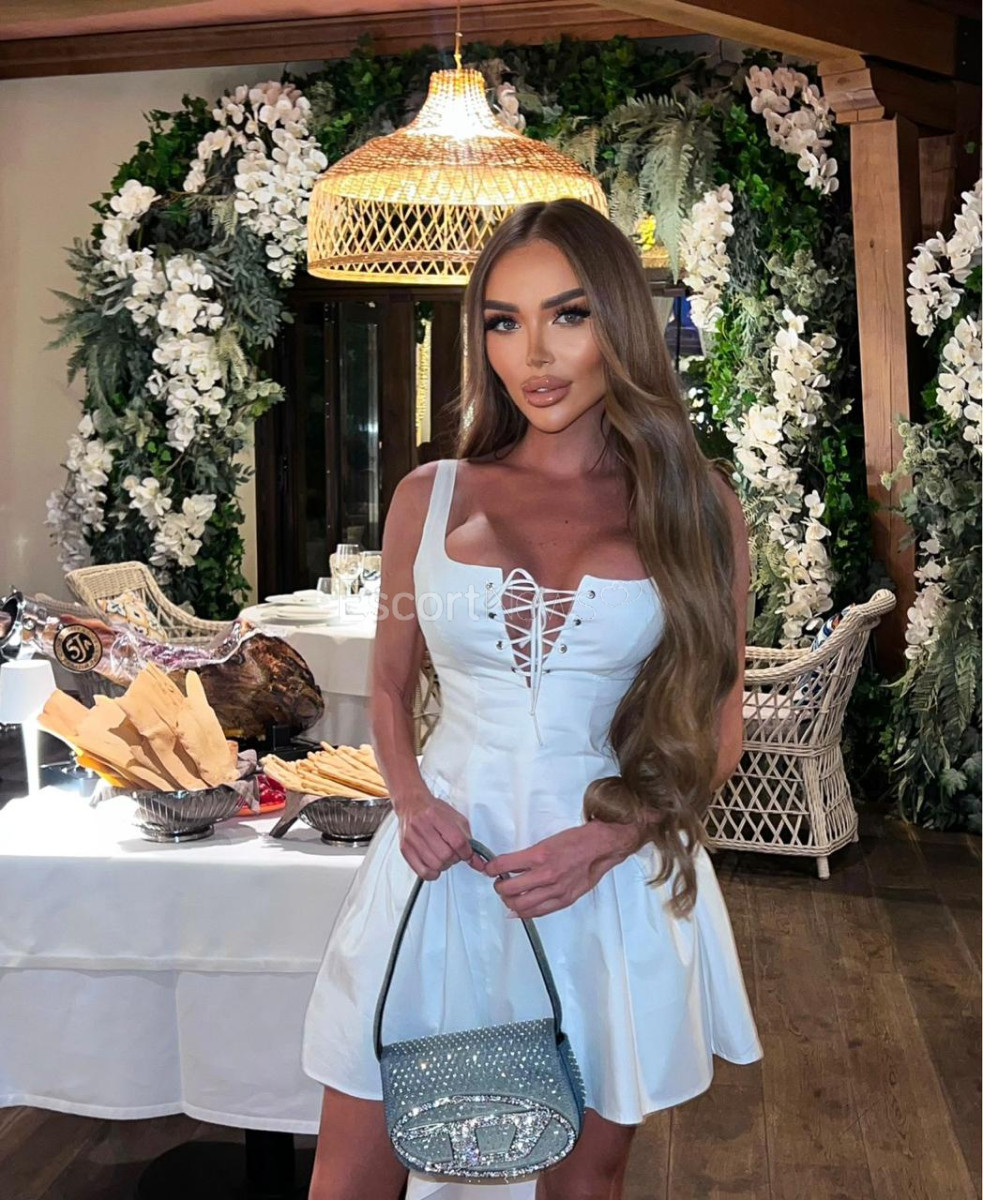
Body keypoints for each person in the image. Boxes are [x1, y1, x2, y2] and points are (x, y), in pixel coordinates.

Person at [302, 197, 763, 1200]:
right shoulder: (429, 495)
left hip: (605, 874)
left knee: (583, 1182)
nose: (534, 355)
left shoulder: (696, 504)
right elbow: (388, 685)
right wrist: (411, 799)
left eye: (567, 315)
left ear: (618, 324)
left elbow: (719, 722)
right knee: (348, 1175)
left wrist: (614, 838)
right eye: (503, 322)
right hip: (439, 869)